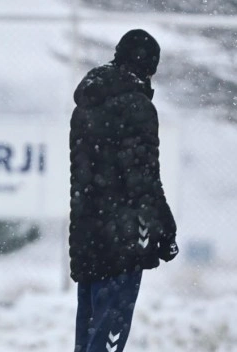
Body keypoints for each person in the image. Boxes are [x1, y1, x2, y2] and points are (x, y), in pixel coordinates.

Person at [69, 29, 179, 352]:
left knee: (88, 336)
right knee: (108, 337)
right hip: (123, 240)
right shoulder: (137, 107)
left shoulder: (87, 104)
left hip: (88, 236)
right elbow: (143, 179)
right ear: (148, 67)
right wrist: (165, 230)